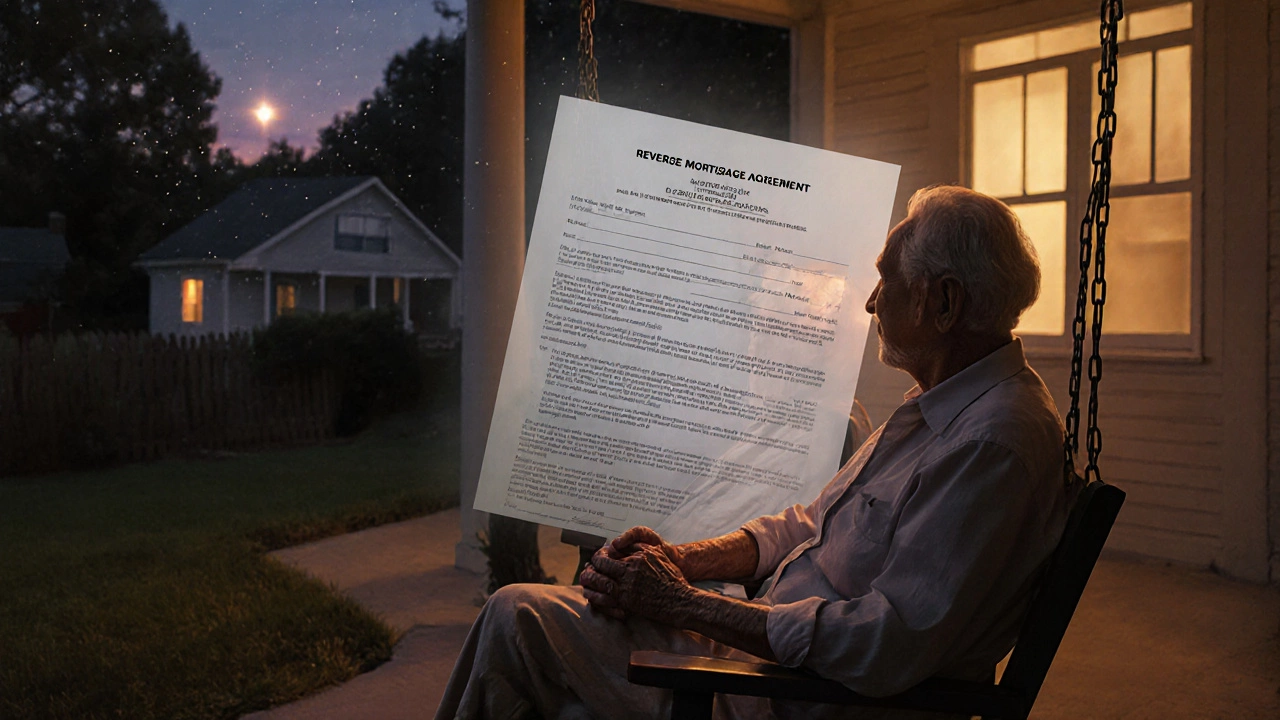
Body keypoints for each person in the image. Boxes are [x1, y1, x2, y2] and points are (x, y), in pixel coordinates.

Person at [435, 185, 1079, 720]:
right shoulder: (940, 409)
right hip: (758, 642)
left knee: (515, 619)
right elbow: (808, 524)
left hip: (779, 694)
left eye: (885, 279)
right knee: (534, 619)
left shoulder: (989, 445)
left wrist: (683, 605)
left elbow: (885, 643)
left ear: (942, 301)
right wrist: (679, 561)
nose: (869, 301)